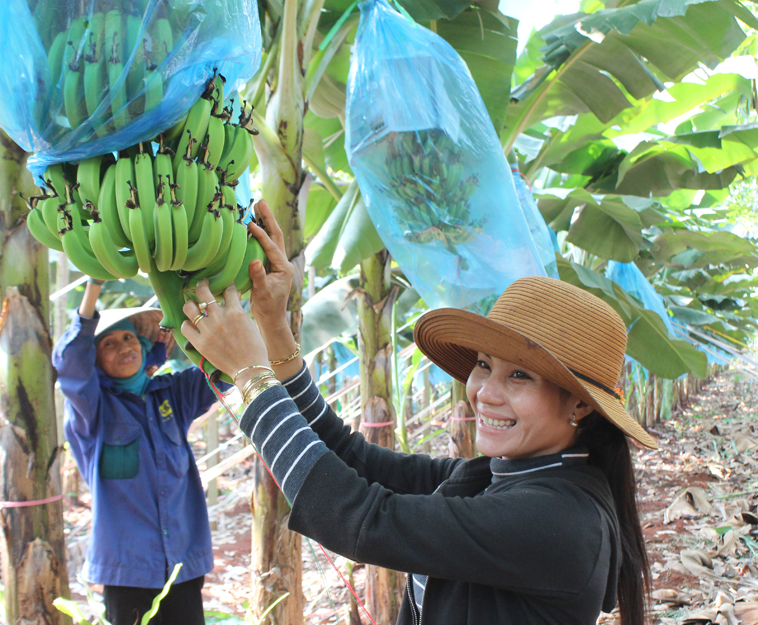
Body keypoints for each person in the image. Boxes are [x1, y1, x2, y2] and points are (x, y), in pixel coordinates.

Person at [179, 208, 654, 625]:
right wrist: (274, 326)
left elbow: (365, 521)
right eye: (484, 365)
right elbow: (351, 457)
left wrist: (252, 377)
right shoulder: (500, 478)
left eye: (520, 377)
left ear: (579, 404)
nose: (485, 392)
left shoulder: (559, 519)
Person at [52, 277, 224, 625]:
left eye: (129, 337)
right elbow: (70, 363)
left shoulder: (173, 393)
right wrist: (93, 288)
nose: (123, 347)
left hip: (182, 561)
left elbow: (224, 368)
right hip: (126, 568)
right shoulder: (92, 411)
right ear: (96, 361)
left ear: (145, 345)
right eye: (109, 344)